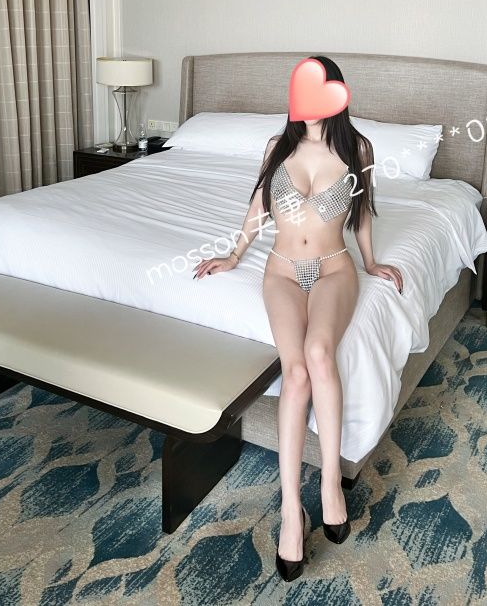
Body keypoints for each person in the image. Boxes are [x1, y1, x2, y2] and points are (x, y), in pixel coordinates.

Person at [194, 56, 403, 582]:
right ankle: (292, 509)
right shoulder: (277, 147)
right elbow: (257, 209)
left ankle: (330, 482)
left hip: (334, 268)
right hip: (283, 271)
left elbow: (363, 214)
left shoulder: (357, 149)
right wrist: (234, 256)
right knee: (297, 372)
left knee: (319, 353)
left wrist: (372, 262)